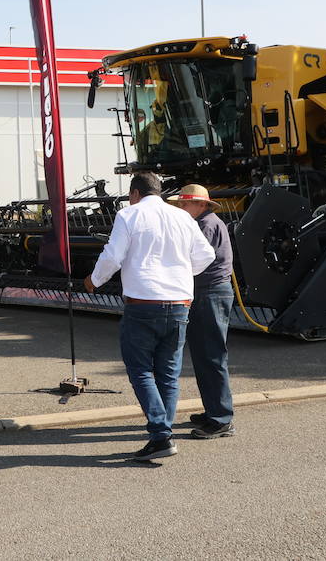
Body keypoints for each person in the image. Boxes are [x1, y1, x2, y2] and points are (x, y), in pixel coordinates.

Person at [84, 173, 215, 461]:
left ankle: (160, 434)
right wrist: (179, 272)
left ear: (134, 193)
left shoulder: (129, 215)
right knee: (168, 374)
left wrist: (94, 280)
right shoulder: (182, 217)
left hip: (143, 303)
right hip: (180, 302)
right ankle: (161, 437)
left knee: (140, 370)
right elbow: (205, 255)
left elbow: (112, 256)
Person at [168, 183, 236, 440]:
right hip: (208, 292)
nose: (181, 208)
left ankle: (221, 418)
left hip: (209, 293)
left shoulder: (205, 225)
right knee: (206, 355)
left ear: (201, 204)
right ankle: (214, 411)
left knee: (211, 355)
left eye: (185, 203)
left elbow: (188, 257)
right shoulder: (207, 222)